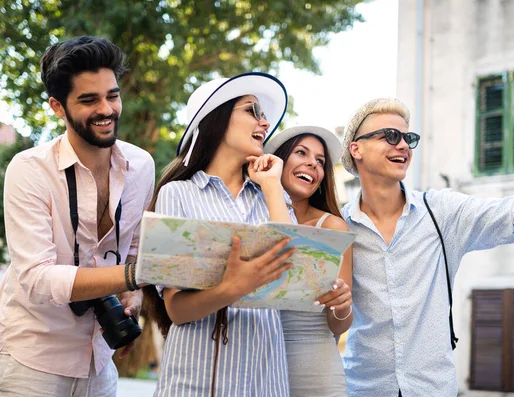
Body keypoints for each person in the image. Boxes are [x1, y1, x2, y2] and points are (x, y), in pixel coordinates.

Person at [338, 91, 514, 397]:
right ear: (356, 148)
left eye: (408, 138)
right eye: (390, 135)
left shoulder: (442, 212)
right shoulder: (338, 226)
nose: (402, 145)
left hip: (433, 390)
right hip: (362, 389)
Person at [0, 36, 155, 396]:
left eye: (112, 95)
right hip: (32, 363)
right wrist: (134, 276)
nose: (107, 109)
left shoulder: (142, 166)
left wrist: (133, 297)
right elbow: (37, 278)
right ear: (58, 106)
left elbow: (133, 251)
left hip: (100, 363)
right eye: (89, 100)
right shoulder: (29, 169)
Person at [144, 72, 297, 397]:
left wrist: (272, 185)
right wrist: (233, 288)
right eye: (251, 110)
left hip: (265, 381)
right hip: (195, 382)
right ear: (216, 118)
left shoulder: (272, 195)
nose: (264, 122)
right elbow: (177, 310)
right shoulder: (177, 194)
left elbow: (294, 275)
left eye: (264, 115)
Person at [264, 126, 353, 396]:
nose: (312, 163)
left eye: (320, 161)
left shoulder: (332, 227)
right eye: (301, 152)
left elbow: (340, 324)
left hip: (315, 368)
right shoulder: (247, 213)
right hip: (255, 362)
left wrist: (341, 305)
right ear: (278, 160)